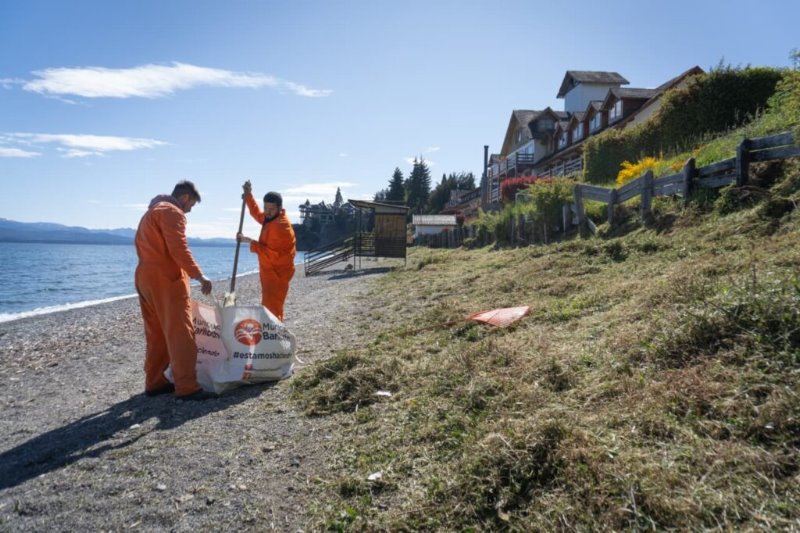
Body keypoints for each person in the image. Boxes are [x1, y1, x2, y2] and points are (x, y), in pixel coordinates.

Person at [134, 180, 217, 401]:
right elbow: (178, 248)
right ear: (185, 198)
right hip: (166, 279)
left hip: (144, 276)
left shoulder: (150, 213)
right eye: (190, 207)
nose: (188, 212)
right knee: (181, 332)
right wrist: (199, 275)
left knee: (156, 333)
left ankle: (155, 381)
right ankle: (187, 386)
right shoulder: (172, 213)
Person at [237, 180, 296, 321]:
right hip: (269, 271)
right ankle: (270, 335)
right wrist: (248, 196)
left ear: (279, 208)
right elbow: (258, 214)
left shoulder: (280, 227)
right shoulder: (272, 217)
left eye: (271, 209)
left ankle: (273, 337)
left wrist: (249, 241)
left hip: (277, 273)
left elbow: (272, 255)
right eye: (266, 208)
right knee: (269, 307)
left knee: (272, 309)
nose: (267, 212)